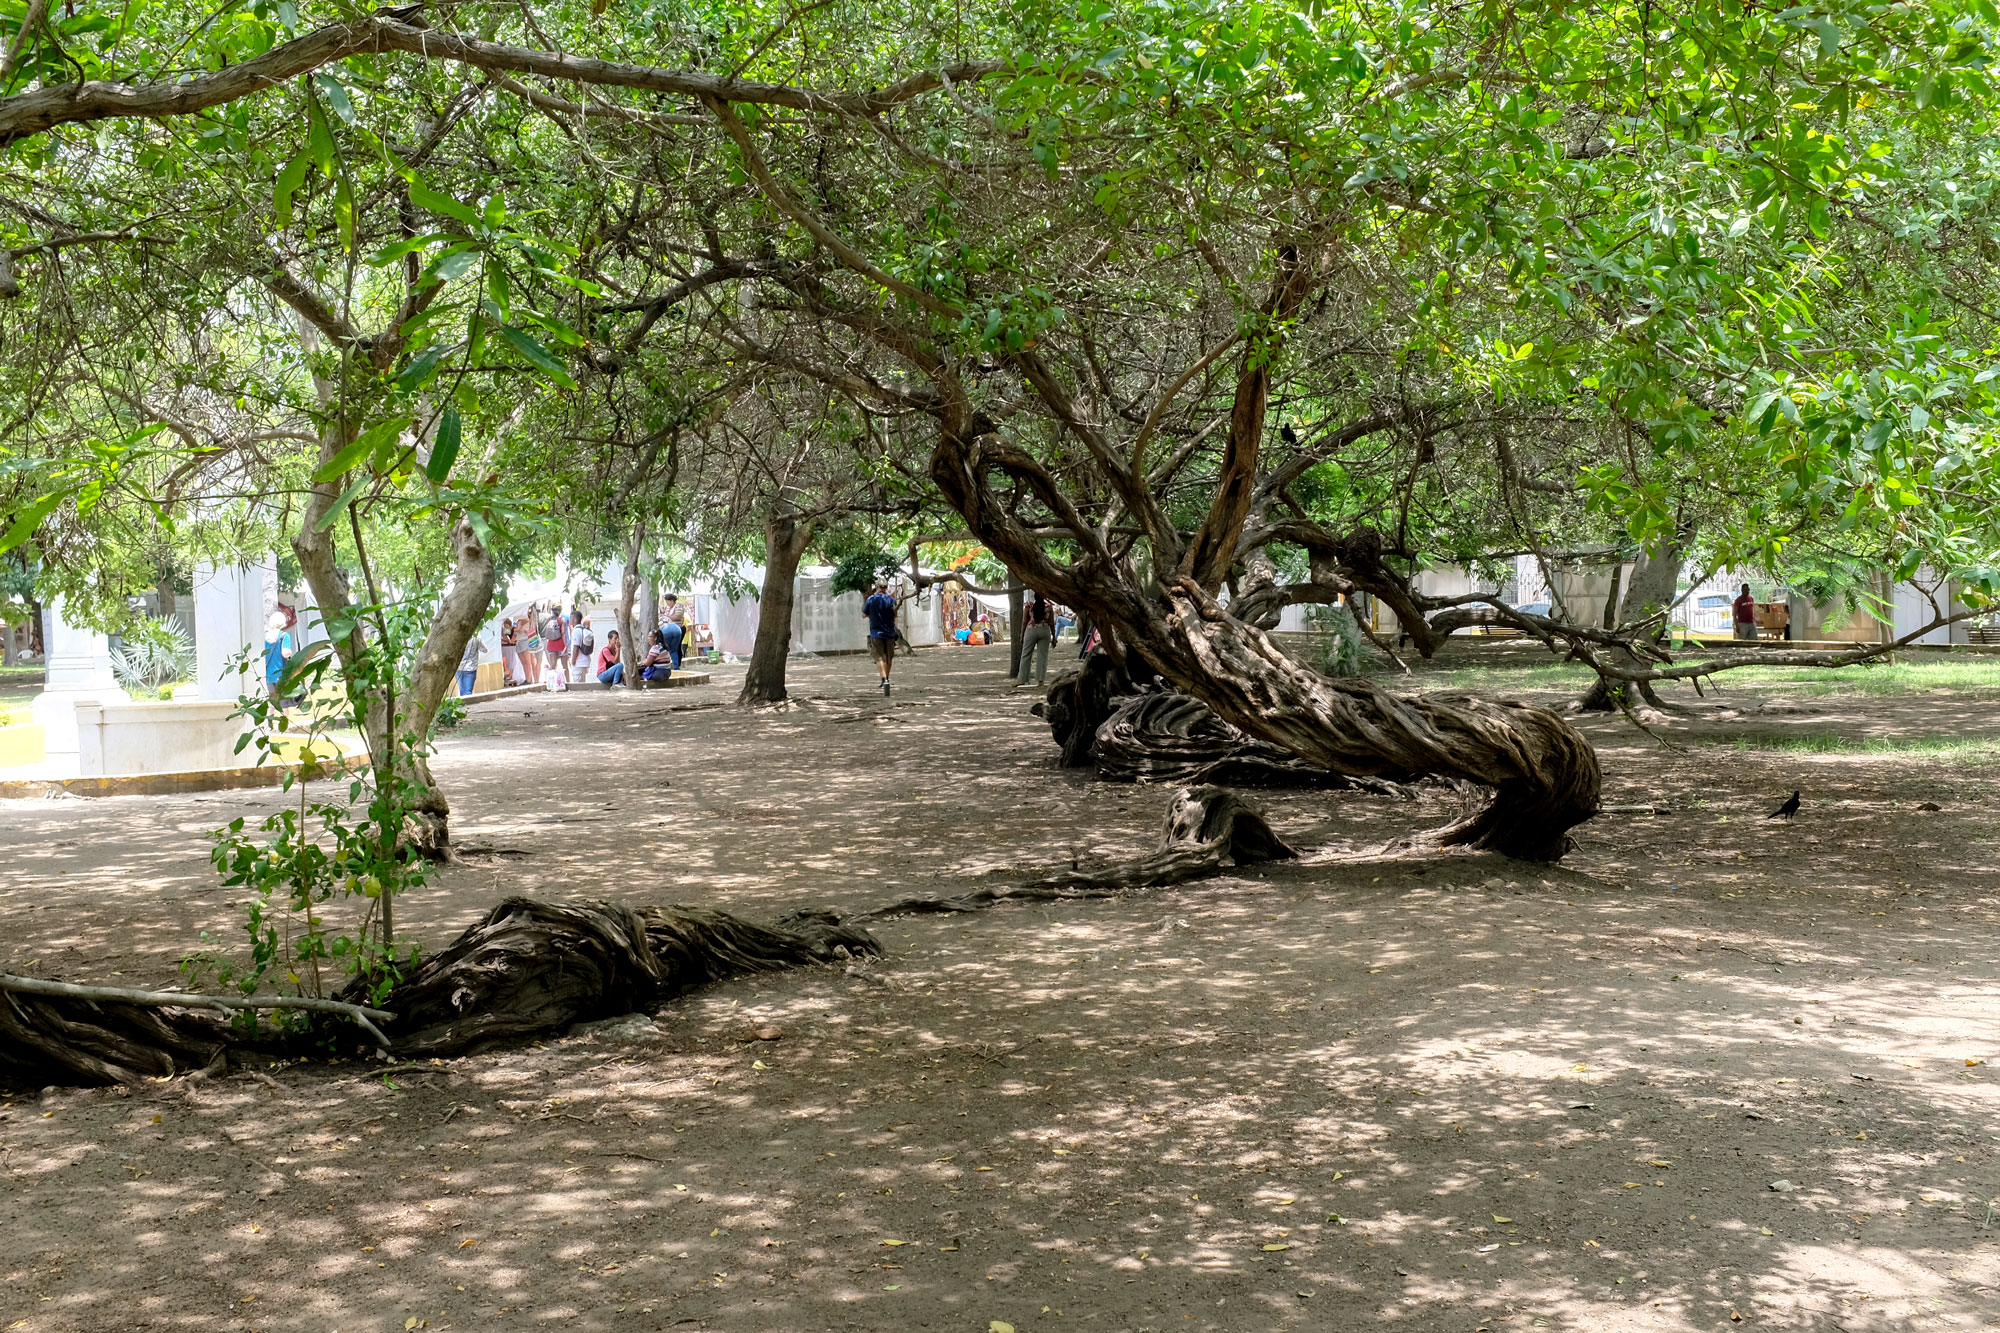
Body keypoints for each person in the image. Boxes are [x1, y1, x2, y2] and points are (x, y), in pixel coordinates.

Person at [864, 579, 902, 695]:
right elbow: (895, 616)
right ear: (886, 588)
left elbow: (863, 614)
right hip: (890, 632)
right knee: (889, 657)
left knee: (879, 657)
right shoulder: (891, 600)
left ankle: (884, 679)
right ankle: (887, 678)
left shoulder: (871, 599)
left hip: (876, 633)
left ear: (876, 587)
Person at [1014, 592, 1053, 688]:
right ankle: (1040, 680)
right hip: (1045, 630)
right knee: (1042, 656)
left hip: (1031, 630)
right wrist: (1054, 637)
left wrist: (1022, 634)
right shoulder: (1048, 607)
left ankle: (1022, 679)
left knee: (1026, 654)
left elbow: (1024, 622)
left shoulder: (1029, 606)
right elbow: (1051, 623)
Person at [262, 612, 294, 703]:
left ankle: (269, 717)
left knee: (272, 702)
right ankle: (285, 717)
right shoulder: (284, 636)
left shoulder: (265, 636)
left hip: (267, 673)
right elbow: (285, 653)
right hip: (280, 674)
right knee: (283, 703)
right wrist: (290, 652)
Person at [661, 594, 689, 669]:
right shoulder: (668, 608)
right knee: (672, 648)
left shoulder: (679, 606)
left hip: (678, 628)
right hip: (669, 627)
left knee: (677, 647)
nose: (667, 603)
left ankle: (677, 664)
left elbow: (677, 617)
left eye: (668, 601)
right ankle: (674, 664)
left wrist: (666, 616)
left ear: (672, 601)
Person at [569, 608, 595, 683]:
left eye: (571, 618)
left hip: (578, 662)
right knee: (583, 684)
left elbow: (575, 648)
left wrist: (573, 661)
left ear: (575, 620)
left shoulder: (576, 631)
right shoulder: (583, 629)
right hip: (585, 661)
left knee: (578, 685)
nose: (570, 620)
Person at [457, 632, 483, 697]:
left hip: (458, 667)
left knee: (462, 692)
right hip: (470, 667)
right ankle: (467, 707)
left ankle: (463, 706)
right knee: (468, 693)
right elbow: (484, 649)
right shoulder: (477, 635)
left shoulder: (457, 635)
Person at [500, 615, 521, 686]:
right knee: (507, 662)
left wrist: (507, 640)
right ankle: (509, 677)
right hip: (507, 648)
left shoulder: (514, 630)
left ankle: (511, 676)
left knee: (512, 663)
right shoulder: (507, 630)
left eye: (506, 625)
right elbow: (505, 637)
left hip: (513, 648)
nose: (506, 627)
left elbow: (512, 640)